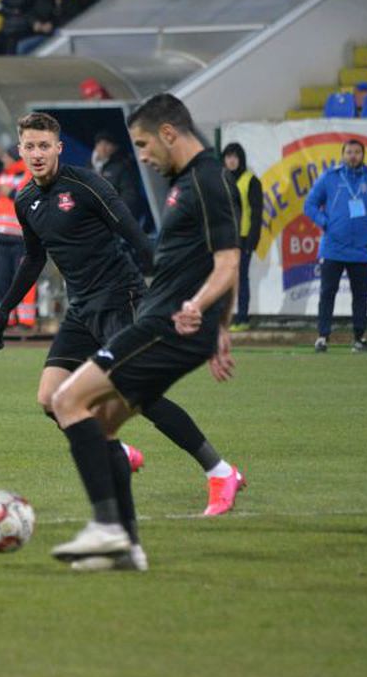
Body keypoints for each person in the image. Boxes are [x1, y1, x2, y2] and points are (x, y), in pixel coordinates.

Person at [0, 109, 244, 524]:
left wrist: (166, 298)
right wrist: (5, 310)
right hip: (82, 308)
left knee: (141, 396)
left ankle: (221, 471)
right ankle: (117, 452)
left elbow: (135, 237)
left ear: (58, 148)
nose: (36, 153)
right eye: (29, 146)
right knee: (50, 399)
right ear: (20, 150)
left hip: (120, 297)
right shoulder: (24, 200)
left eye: (44, 146)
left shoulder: (87, 185)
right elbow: (34, 258)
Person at [44, 94, 245, 571]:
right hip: (170, 322)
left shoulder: (210, 180)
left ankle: (108, 527)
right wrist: (220, 329)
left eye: (144, 144)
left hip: (166, 325)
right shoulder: (186, 182)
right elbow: (216, 262)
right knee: (104, 424)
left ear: (169, 133)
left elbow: (230, 261)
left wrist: (200, 309)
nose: (143, 156)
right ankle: (127, 549)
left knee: (67, 401)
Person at [304, 139, 367, 353]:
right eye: (349, 152)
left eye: (357, 152)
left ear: (363, 155)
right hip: (333, 247)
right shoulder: (330, 178)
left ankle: (359, 337)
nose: (353, 156)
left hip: (361, 249)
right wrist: (325, 222)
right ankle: (322, 337)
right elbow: (309, 204)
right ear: (342, 154)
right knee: (327, 292)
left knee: (360, 295)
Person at [0, 142, 37, 330]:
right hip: (2, 236)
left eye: (6, 156)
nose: (3, 160)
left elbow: (29, 197)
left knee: (22, 279)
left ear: (14, 157)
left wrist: (11, 193)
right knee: (3, 279)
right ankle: (5, 318)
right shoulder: (2, 176)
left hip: (22, 237)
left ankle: (25, 320)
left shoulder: (27, 173)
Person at [221, 143, 263, 331]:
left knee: (241, 279)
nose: (231, 160)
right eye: (228, 156)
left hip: (243, 238)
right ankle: (225, 316)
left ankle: (243, 317)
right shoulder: (220, 179)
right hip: (224, 239)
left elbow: (256, 213)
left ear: (241, 159)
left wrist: (252, 240)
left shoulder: (251, 181)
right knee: (224, 280)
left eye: (234, 156)